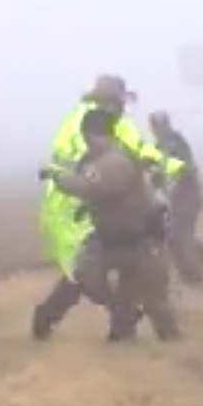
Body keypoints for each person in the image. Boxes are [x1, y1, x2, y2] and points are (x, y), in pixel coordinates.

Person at [33, 107, 178, 341]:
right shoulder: (102, 160)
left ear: (93, 134)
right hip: (110, 236)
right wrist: (87, 207)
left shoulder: (114, 161)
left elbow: (90, 188)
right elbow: (106, 195)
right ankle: (47, 318)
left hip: (140, 239)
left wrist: (56, 176)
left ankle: (161, 341)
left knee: (153, 299)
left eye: (87, 138)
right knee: (81, 276)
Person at [38, 74, 164, 285]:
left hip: (99, 202)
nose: (120, 107)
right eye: (116, 102)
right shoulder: (104, 127)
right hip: (93, 198)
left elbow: (137, 159)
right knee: (89, 270)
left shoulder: (97, 125)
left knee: (93, 271)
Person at [148, 110, 203, 283]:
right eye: (155, 126)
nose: (156, 129)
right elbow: (156, 172)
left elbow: (185, 170)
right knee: (174, 234)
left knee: (178, 235)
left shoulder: (176, 143)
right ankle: (202, 253)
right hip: (175, 196)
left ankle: (194, 274)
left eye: (159, 125)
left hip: (186, 194)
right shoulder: (160, 146)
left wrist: (171, 184)